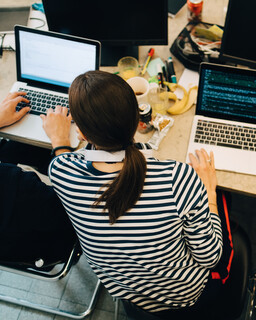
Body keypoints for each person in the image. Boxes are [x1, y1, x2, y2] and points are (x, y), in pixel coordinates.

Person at [41, 70, 223, 316]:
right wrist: (209, 190)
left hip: (127, 292)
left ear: (81, 134)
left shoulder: (61, 172)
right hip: (185, 296)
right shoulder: (178, 179)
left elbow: (64, 162)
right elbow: (210, 258)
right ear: (137, 118)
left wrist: (59, 141)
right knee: (225, 203)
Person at [0, 68, 76, 265]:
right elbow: (73, 207)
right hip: (45, 247)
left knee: (13, 148)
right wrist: (61, 143)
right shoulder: (17, 185)